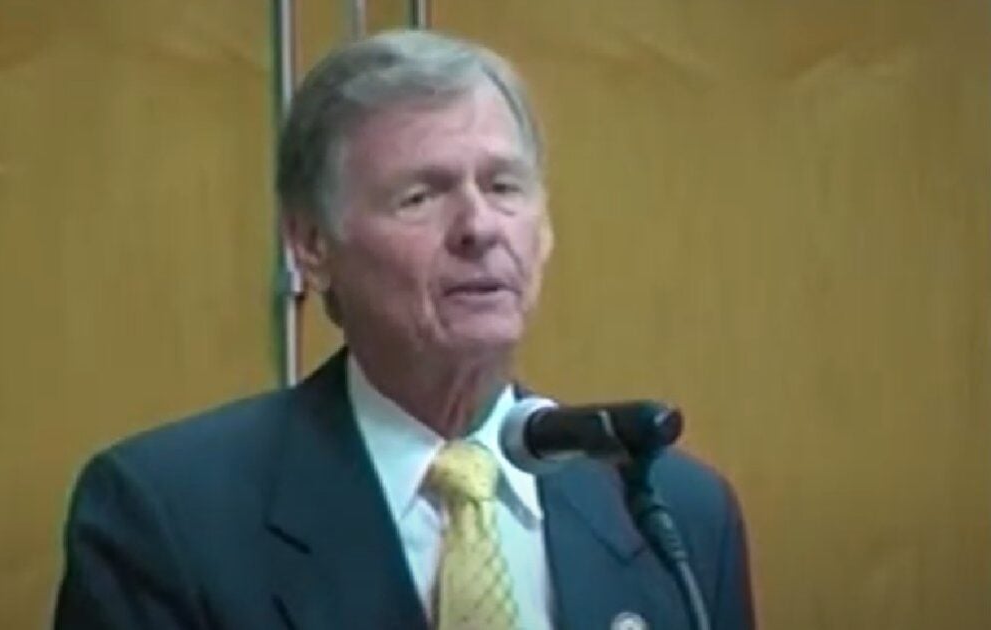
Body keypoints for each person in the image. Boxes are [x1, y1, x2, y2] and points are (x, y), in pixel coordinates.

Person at [54, 29, 754, 630]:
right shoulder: (168, 517)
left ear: (544, 229)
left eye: (504, 187)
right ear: (311, 246)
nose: (480, 227)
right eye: (420, 196)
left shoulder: (675, 515)